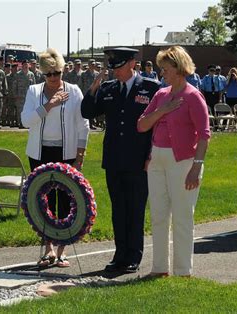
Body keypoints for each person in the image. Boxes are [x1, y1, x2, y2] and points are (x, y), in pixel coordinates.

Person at [81, 47, 161, 273]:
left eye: (118, 67)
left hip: (138, 160)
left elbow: (157, 126)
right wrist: (93, 90)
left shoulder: (150, 87)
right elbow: (87, 112)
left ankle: (134, 255)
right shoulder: (108, 88)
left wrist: (151, 154)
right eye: (112, 67)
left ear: (131, 64)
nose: (114, 72)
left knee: (135, 209)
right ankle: (120, 254)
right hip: (115, 159)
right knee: (119, 209)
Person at [137, 46, 210, 277]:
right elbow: (142, 125)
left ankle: (183, 271)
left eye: (165, 69)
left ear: (179, 68)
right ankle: (159, 269)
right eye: (161, 69)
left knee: (182, 217)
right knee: (158, 216)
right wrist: (163, 110)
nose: (162, 73)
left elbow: (204, 135)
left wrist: (195, 168)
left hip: (184, 162)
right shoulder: (161, 95)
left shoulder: (193, 96)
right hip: (157, 160)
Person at [21, 48, 89, 268]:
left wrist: (80, 155)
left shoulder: (74, 91)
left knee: (65, 200)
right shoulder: (34, 91)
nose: (53, 78)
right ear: (42, 74)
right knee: (42, 201)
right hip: (39, 152)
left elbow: (82, 124)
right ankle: (47, 249)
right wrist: (49, 105)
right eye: (48, 74)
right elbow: (26, 121)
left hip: (66, 153)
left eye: (57, 73)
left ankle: (62, 250)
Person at [13, 60, 36, 127]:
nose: (26, 66)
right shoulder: (18, 74)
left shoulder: (31, 74)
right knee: (20, 111)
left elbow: (34, 85)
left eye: (27, 64)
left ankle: (27, 124)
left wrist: (34, 95)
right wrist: (15, 95)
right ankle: (20, 123)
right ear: (22, 65)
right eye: (25, 64)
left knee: (28, 110)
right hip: (20, 96)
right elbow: (14, 86)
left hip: (29, 96)